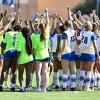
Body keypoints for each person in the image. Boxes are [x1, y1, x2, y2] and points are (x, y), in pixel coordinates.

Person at [31, 8, 50, 92]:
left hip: (39, 56)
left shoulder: (35, 37)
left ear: (38, 28)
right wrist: (46, 14)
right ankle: (44, 88)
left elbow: (34, 49)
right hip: (46, 55)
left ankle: (38, 87)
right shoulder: (46, 33)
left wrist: (34, 55)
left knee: (38, 72)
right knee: (45, 72)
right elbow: (48, 23)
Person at [79, 21, 99, 91]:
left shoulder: (83, 32)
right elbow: (95, 46)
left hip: (83, 53)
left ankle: (80, 86)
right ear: (90, 26)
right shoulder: (92, 34)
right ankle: (87, 87)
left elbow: (79, 41)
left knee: (83, 70)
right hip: (90, 53)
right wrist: (98, 55)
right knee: (89, 71)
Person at [16, 27, 33, 92]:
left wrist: (17, 61)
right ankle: (27, 88)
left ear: (22, 33)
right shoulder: (30, 39)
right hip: (30, 59)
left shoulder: (21, 40)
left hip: (22, 59)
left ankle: (21, 87)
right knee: (28, 74)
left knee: (20, 74)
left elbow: (19, 52)